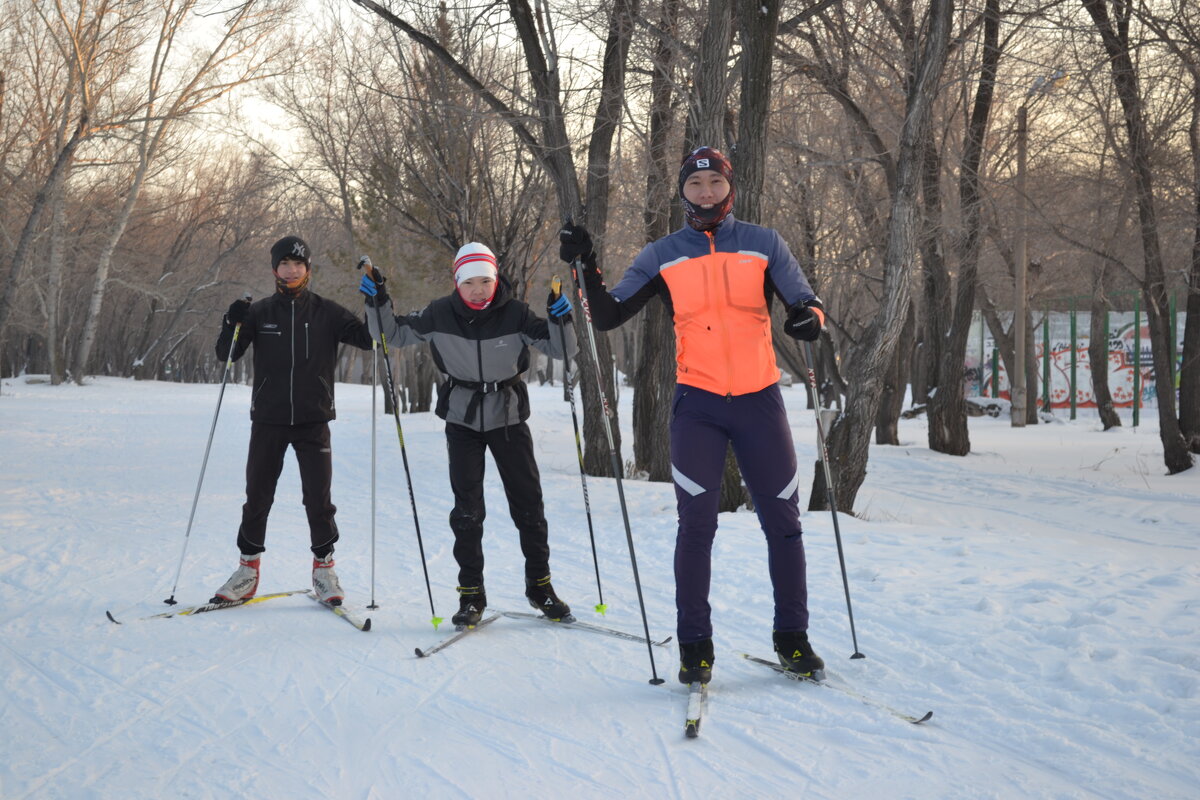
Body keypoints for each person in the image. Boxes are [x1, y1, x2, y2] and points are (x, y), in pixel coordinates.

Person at [558, 146, 827, 684]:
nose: (706, 192)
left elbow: (808, 304)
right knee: (696, 527)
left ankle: (792, 639)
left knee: (784, 523)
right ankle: (694, 645)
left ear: (730, 188)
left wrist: (808, 321)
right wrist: (584, 264)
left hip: (760, 401)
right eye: (696, 183)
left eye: (715, 182)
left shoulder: (764, 243)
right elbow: (608, 315)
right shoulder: (663, 253)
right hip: (697, 404)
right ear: (682, 190)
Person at [358, 242, 579, 628]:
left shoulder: (516, 313)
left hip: (508, 417)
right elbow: (390, 336)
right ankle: (471, 595)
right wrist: (378, 302)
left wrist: (562, 320)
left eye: (485, 281)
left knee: (529, 505)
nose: (478, 290)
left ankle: (540, 587)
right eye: (470, 282)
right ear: (457, 283)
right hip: (462, 418)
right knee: (467, 511)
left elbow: (562, 350)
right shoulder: (439, 313)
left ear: (496, 280)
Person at [211, 236, 374, 607]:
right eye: (285, 264)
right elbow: (228, 353)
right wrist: (230, 321)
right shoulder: (258, 312)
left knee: (318, 499)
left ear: (308, 269)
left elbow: (368, 339)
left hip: (313, 420)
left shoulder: (327, 313)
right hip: (268, 419)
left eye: (298, 264)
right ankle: (247, 570)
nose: (292, 269)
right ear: (274, 269)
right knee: (257, 497)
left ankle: (324, 570)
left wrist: (377, 301)